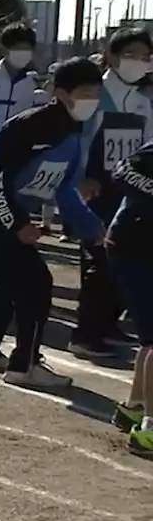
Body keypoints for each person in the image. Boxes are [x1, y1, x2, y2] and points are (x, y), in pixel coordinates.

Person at [0, 56, 107, 389]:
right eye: (84, 92)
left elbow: (64, 186)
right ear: (60, 92)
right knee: (36, 281)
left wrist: (89, 225)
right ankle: (24, 364)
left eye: (95, 92)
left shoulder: (75, 130)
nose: (91, 99)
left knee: (7, 281)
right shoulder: (27, 127)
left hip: (12, 213)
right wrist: (15, 225)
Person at [72, 28, 153, 357]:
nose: (141, 62)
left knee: (125, 259)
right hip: (96, 189)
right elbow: (76, 141)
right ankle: (85, 333)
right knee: (98, 260)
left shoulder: (142, 100)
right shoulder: (94, 93)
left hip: (130, 193)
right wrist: (78, 178)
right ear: (113, 55)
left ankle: (107, 324)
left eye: (146, 57)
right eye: (133, 54)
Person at [106, 140, 153, 456]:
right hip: (134, 245)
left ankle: (135, 407)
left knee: (150, 337)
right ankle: (149, 425)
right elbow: (122, 169)